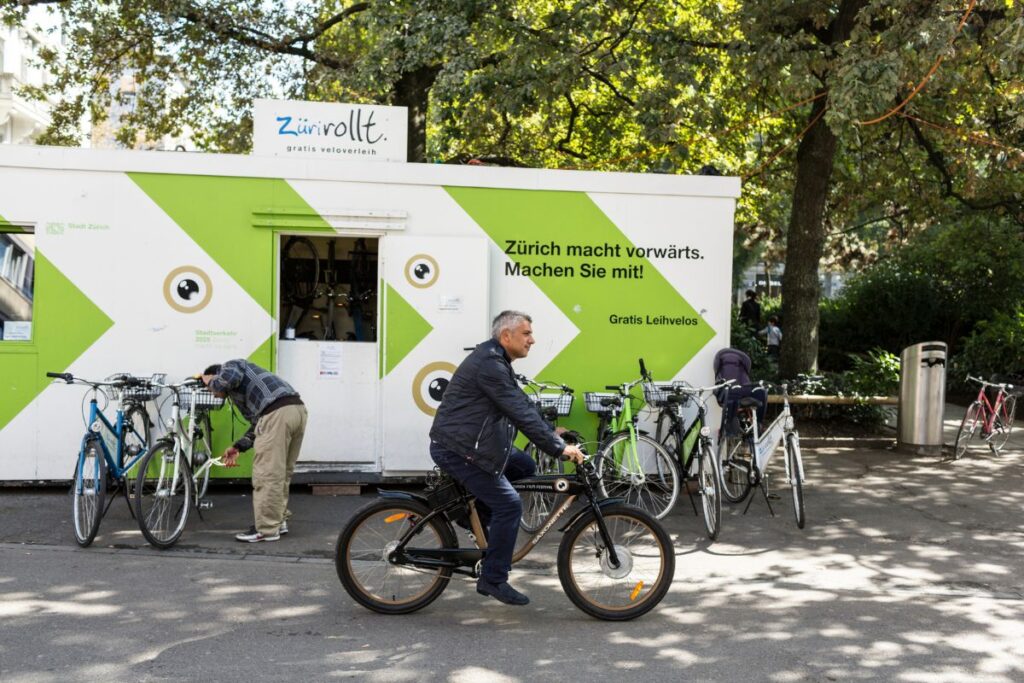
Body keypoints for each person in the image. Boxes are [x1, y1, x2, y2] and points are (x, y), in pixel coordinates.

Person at [429, 310, 585, 607]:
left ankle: (479, 515)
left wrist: (552, 432)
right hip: (459, 448)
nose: (533, 340)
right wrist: (558, 448)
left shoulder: (496, 359)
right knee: (510, 504)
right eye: (527, 334)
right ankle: (494, 577)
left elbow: (521, 403)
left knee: (525, 466)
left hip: (476, 443)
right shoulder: (490, 363)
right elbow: (518, 409)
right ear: (506, 336)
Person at [201, 360, 307, 543]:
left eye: (211, 390)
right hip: (296, 411)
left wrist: (207, 380)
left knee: (267, 475)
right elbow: (259, 424)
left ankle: (266, 530)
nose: (213, 394)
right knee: (280, 474)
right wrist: (238, 447)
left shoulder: (230, 366)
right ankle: (277, 522)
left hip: (279, 415)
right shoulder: (242, 388)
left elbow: (228, 379)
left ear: (216, 375)